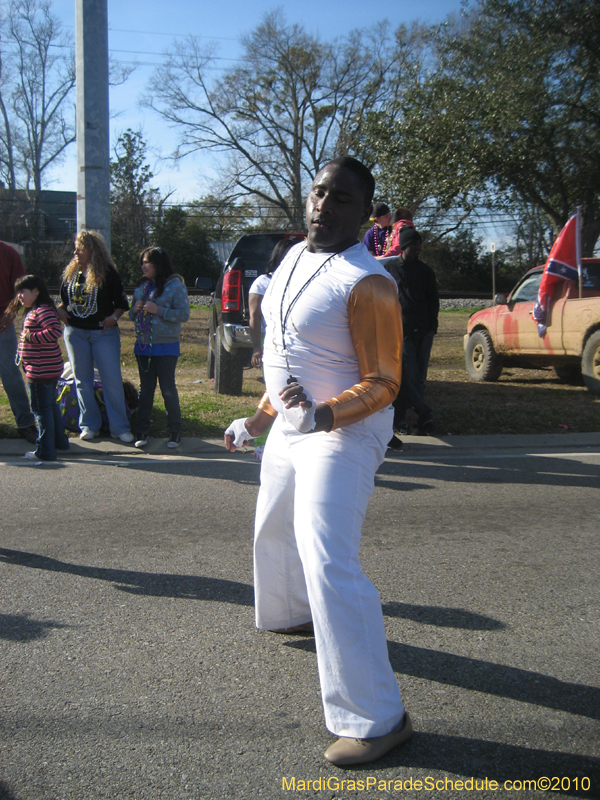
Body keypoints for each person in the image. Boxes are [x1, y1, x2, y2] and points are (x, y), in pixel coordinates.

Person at [224, 157, 412, 766]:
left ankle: (377, 718)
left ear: (365, 213)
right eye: (319, 193)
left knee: (327, 558)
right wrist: (258, 421)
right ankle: (292, 614)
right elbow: (287, 361)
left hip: (344, 435)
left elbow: (385, 382)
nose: (324, 206)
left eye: (342, 199)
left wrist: (323, 417)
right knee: (273, 525)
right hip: (294, 424)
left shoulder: (369, 281)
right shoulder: (291, 260)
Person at [57, 230, 133, 442]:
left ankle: (120, 427)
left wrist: (113, 318)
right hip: (75, 333)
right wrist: (60, 310)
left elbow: (121, 303)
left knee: (111, 380)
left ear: (92, 250)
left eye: (80, 249)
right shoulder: (72, 274)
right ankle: (89, 425)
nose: (76, 253)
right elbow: (64, 300)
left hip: (103, 333)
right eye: (75, 249)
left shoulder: (107, 273)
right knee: (82, 381)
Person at [129, 246, 190, 449]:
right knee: (146, 391)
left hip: (166, 346)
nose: (144, 266)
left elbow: (184, 314)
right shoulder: (142, 287)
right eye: (142, 262)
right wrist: (134, 309)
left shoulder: (175, 286)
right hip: (143, 346)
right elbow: (131, 315)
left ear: (159, 264)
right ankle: (141, 431)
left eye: (148, 262)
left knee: (168, 389)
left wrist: (159, 310)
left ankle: (174, 431)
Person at [386, 226, 439, 435]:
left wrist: (432, 329)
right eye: (413, 245)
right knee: (410, 373)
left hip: (423, 331)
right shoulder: (390, 268)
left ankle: (413, 415)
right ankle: (425, 415)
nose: (417, 249)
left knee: (419, 376)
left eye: (419, 245)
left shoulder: (425, 271)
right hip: (402, 331)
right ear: (404, 246)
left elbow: (433, 302)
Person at [10, 275, 70, 461]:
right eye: (18, 293)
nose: (19, 296)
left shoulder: (42, 311)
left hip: (40, 370)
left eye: (23, 292)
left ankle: (45, 450)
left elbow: (54, 331)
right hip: (45, 368)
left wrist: (30, 338)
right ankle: (60, 442)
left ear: (36, 291)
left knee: (40, 410)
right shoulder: (37, 310)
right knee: (50, 406)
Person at [0, 241, 37, 443]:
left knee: (11, 374)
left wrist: (10, 313)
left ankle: (25, 423)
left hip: (2, 324)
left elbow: (20, 289)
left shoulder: (8, 253)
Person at [249, 238, 297, 369]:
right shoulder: (263, 283)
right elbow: (255, 316)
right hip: (270, 340)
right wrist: (257, 347)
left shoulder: (301, 282)